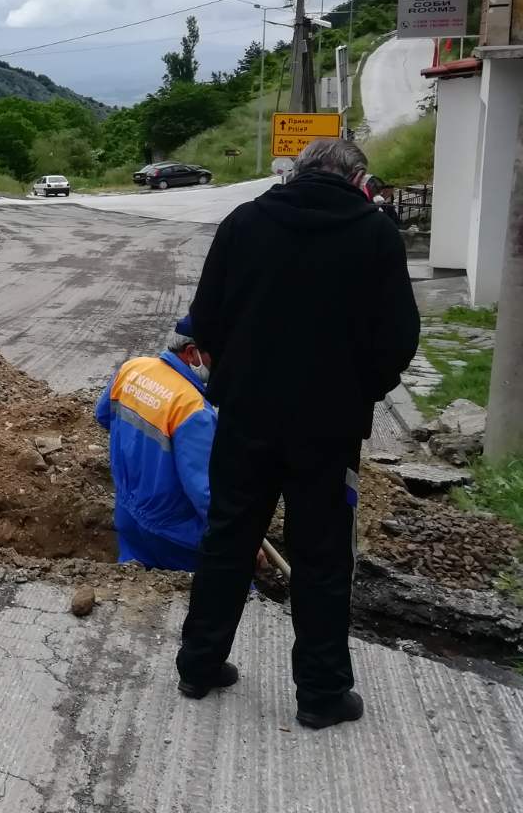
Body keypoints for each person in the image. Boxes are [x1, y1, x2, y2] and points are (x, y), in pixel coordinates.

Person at [176, 137, 419, 730]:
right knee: (322, 558)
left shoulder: (244, 222)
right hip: (327, 429)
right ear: (356, 178)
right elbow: (398, 341)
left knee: (229, 538)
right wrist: (361, 389)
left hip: (245, 418)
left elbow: (203, 322)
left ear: (298, 172)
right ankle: (321, 694)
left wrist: (234, 373)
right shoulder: (376, 234)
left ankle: (198, 666)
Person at [94, 315, 216, 571]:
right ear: (192, 353)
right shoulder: (192, 409)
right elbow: (204, 491)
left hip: (127, 514)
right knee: (233, 591)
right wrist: (237, 538)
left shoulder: (133, 368)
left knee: (130, 588)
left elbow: (103, 415)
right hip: (175, 533)